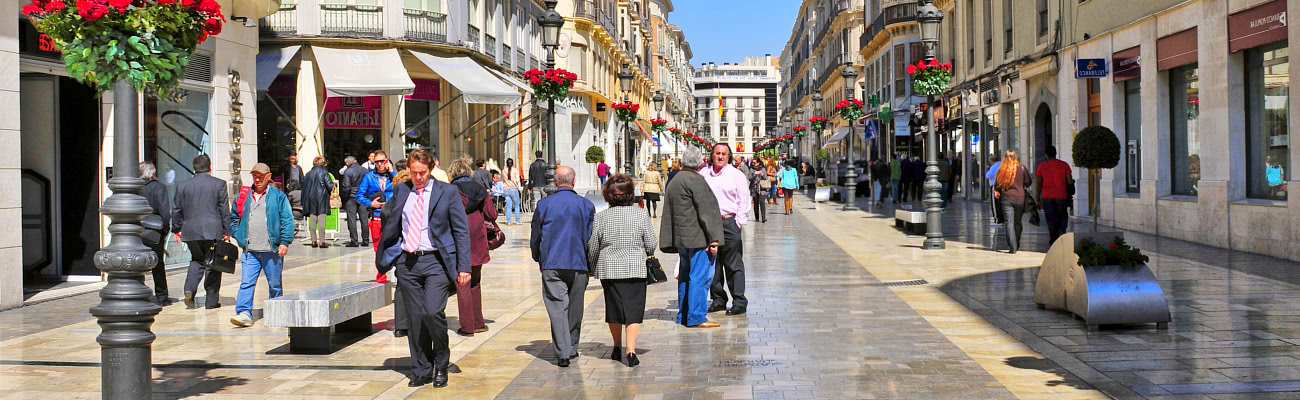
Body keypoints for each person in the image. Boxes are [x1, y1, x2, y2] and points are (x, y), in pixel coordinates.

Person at [376, 149, 470, 388]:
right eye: (414, 172)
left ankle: (441, 359)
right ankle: (421, 368)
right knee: (415, 319)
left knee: (431, 312)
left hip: (436, 262)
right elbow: (392, 221)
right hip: (407, 263)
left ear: (431, 169)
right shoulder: (401, 190)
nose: (418, 177)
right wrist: (392, 252)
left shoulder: (447, 192)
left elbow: (460, 230)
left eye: (422, 173)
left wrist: (463, 266)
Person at [587, 174, 656, 367]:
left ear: (608, 195)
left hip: (609, 269)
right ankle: (631, 350)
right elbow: (651, 243)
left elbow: (593, 245)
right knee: (634, 309)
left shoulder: (600, 217)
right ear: (630, 195)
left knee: (614, 308)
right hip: (635, 267)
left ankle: (616, 346)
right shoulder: (641, 214)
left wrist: (591, 267)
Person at [530, 166, 596, 367]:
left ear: (556, 182)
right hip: (578, 262)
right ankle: (572, 346)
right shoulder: (586, 205)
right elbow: (591, 237)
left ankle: (563, 352)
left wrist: (538, 257)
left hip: (552, 261)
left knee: (557, 307)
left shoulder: (544, 205)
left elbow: (536, 236)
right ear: (573, 182)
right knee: (575, 308)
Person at [660, 146, 722, 328]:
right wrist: (714, 239)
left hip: (683, 239)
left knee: (686, 277)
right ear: (700, 161)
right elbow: (707, 211)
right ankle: (696, 316)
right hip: (698, 239)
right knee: (700, 278)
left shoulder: (676, 180)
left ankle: (684, 315)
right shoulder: (696, 181)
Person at [229, 163, 295, 327]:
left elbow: (287, 219)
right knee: (246, 282)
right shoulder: (243, 196)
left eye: (260, 176)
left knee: (274, 284)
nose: (257, 179)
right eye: (254, 175)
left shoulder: (278, 196)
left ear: (268, 176)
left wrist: (285, 242)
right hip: (249, 250)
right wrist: (239, 236)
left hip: (271, 249)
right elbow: (233, 218)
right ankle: (244, 313)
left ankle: (277, 310)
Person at [171, 154, 231, 309]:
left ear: (194, 168)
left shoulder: (183, 186)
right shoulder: (219, 184)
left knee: (197, 260)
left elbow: (176, 210)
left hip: (191, 231)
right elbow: (224, 209)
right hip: (213, 230)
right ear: (210, 167)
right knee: (213, 264)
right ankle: (211, 301)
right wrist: (227, 231)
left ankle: (189, 289)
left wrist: (177, 229)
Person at [447, 159, 498, 337]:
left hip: (458, 239)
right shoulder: (480, 189)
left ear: (452, 173)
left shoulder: (450, 191)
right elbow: (492, 214)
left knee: (462, 284)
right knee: (475, 282)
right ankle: (478, 322)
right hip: (478, 240)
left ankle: (467, 326)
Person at [355, 152, 404, 336]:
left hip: (394, 217)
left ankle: (397, 274)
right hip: (377, 218)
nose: (380, 164)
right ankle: (381, 276)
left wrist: (392, 173)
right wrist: (371, 204)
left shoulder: (394, 176)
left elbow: (403, 186)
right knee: (379, 250)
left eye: (383, 161)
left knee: (397, 246)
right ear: (372, 162)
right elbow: (359, 195)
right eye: (377, 162)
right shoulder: (369, 177)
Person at [701, 144, 751, 316]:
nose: (720, 157)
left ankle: (739, 300)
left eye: (724, 154)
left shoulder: (736, 175)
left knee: (733, 264)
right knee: (713, 263)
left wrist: (739, 222)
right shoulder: (704, 174)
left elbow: (744, 199)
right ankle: (718, 299)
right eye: (717, 153)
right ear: (712, 155)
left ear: (729, 156)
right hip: (709, 224)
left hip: (729, 222)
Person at [140, 162, 172, 306]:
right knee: (158, 265)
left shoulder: (135, 188)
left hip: (136, 231)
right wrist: (165, 231)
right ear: (152, 173)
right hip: (154, 232)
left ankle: (139, 292)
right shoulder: (159, 187)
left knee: (137, 263)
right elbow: (165, 213)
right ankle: (161, 296)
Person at [994, 150, 1033, 254]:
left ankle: (1012, 246)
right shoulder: (1022, 168)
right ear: (1016, 157)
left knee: (1009, 222)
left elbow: (997, 184)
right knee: (1018, 221)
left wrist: (997, 191)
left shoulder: (1001, 169)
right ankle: (1017, 242)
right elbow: (1028, 182)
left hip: (1006, 198)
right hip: (1020, 198)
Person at [1035, 146, 1074, 245]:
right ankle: (1061, 232)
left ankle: (1053, 238)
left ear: (1046, 155)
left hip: (1047, 196)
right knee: (1062, 215)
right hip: (1061, 196)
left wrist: (1037, 199)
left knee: (1050, 218)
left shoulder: (1041, 166)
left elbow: (1038, 184)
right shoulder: (1064, 165)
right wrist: (1071, 192)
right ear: (1055, 153)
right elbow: (1069, 181)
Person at [301, 156, 335, 248]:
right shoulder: (324, 172)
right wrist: (334, 184)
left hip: (310, 199)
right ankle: (322, 241)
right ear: (323, 164)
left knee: (312, 220)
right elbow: (329, 185)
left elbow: (304, 188)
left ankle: (313, 241)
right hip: (322, 198)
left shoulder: (308, 174)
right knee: (321, 220)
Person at [342, 156, 371, 247]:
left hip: (351, 197)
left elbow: (346, 187)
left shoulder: (348, 171)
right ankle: (365, 240)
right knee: (364, 220)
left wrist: (345, 198)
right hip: (363, 196)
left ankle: (354, 240)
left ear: (347, 163)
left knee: (351, 220)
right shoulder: (365, 170)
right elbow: (369, 184)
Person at [500, 158, 523, 225]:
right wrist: (519, 188)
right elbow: (518, 180)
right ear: (512, 163)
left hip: (506, 189)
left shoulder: (503, 171)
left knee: (508, 206)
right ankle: (517, 220)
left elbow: (503, 180)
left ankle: (508, 221)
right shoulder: (515, 170)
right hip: (513, 189)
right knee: (516, 205)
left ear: (506, 163)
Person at [986, 155, 1005, 224]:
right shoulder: (1002, 165)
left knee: (995, 203)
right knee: (1001, 203)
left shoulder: (993, 167)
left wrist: (989, 169)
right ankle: (1002, 219)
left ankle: (997, 220)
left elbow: (988, 175)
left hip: (995, 186)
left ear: (992, 161)